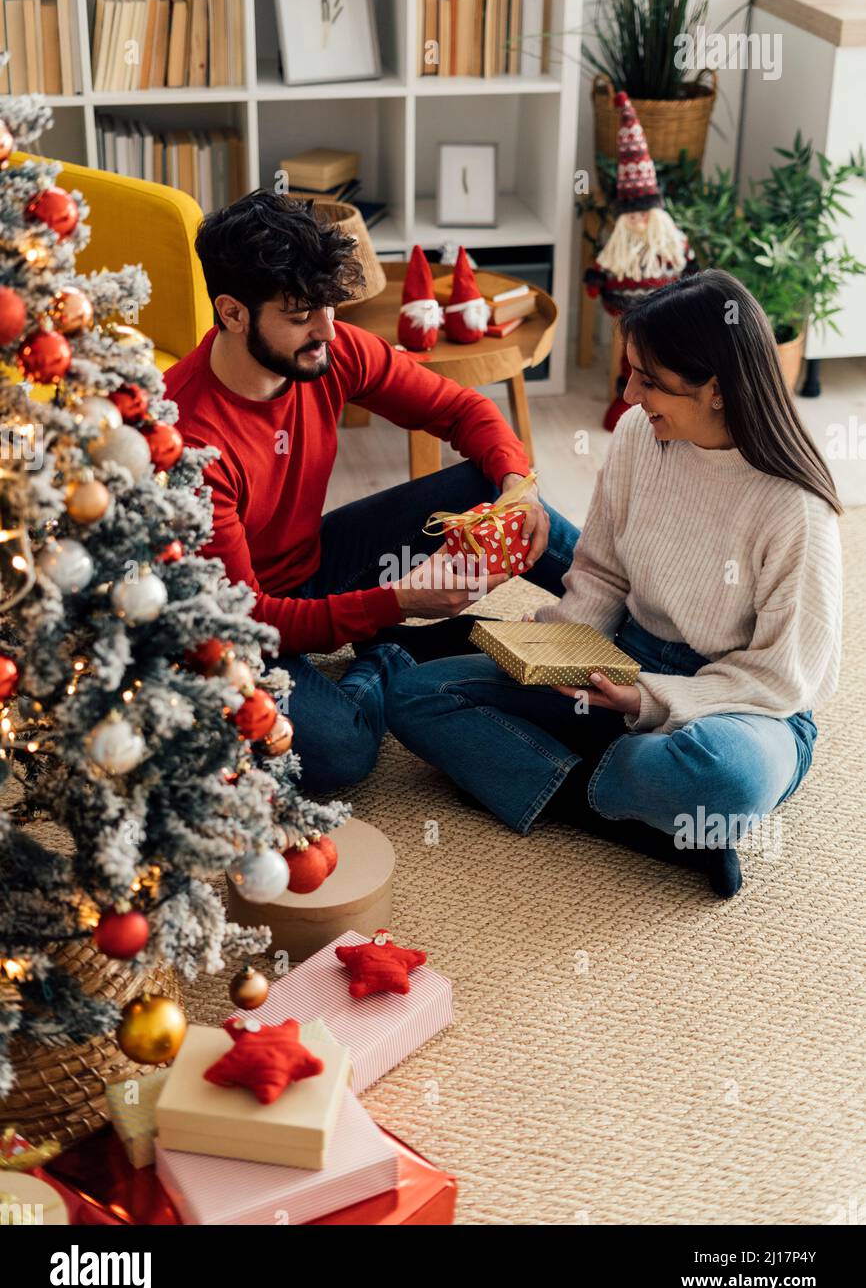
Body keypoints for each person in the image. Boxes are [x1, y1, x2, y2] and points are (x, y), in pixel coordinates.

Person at [384, 270, 843, 898]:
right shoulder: (638, 435)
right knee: (414, 697)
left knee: (726, 782)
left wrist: (651, 701)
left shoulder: (794, 508)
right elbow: (601, 571)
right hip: (623, 656)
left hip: (741, 706)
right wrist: (555, 649)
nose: (629, 396)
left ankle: (562, 778)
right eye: (631, 373)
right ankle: (648, 824)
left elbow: (783, 680)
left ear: (716, 388)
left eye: (649, 382)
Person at [164, 190, 578, 792]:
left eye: (330, 306)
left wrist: (519, 482)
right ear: (231, 313)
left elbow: (461, 410)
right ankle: (389, 655)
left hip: (314, 565)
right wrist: (397, 604)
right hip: (228, 625)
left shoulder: (330, 351)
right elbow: (247, 616)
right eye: (302, 313)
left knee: (491, 476)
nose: (328, 330)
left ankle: (633, 620)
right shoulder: (187, 442)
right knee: (338, 753)